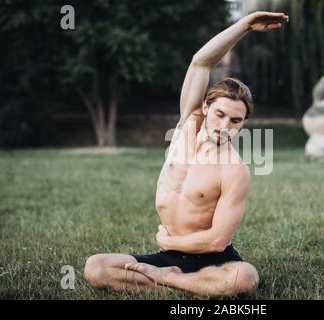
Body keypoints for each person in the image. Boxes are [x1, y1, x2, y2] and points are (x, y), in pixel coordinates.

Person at [84, 11, 289, 297]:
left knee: (245, 278)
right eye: (219, 114)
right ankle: (184, 281)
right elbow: (201, 61)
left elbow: (218, 240)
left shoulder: (235, 170)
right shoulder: (185, 126)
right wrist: (245, 25)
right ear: (205, 108)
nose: (224, 126)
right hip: (169, 255)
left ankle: (166, 281)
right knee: (96, 267)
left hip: (211, 258)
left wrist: (169, 244)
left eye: (235, 121)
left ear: (243, 124)